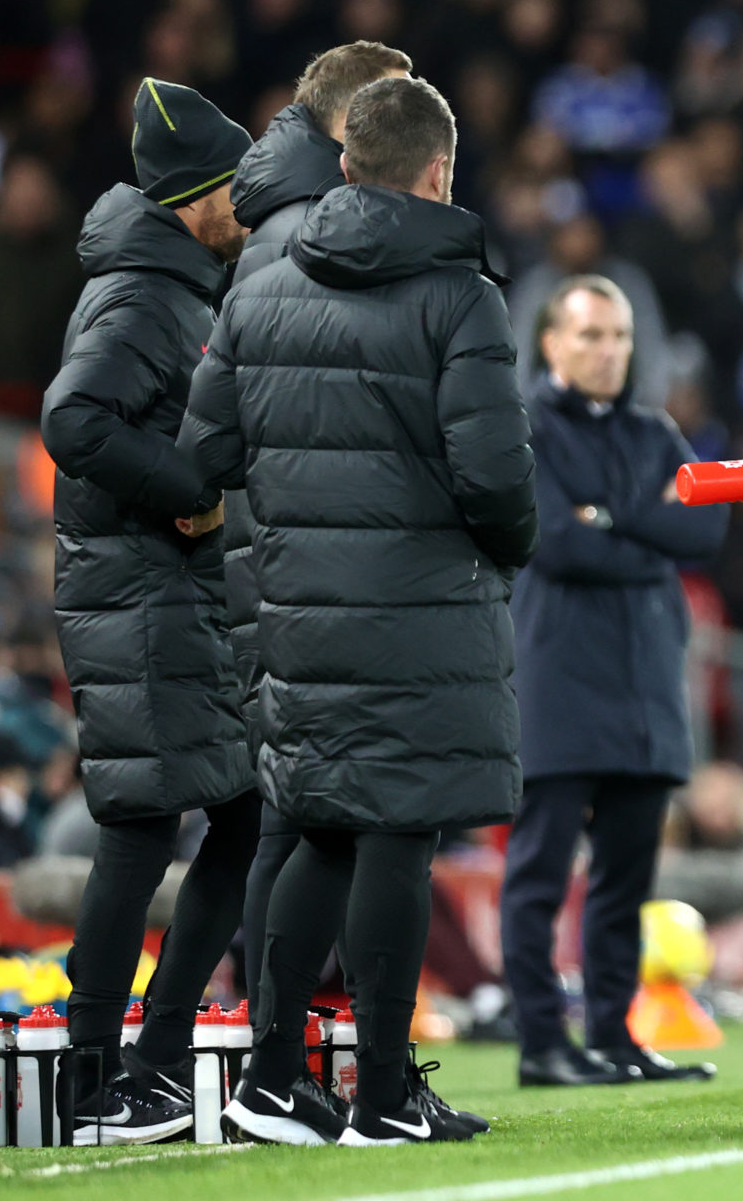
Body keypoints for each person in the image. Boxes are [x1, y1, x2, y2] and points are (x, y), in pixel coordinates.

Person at [182, 75, 537, 1147]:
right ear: (440, 174)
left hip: (297, 601)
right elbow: (497, 478)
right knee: (394, 835)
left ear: (345, 165)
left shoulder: (258, 282)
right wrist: (503, 552)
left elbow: (207, 456)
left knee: (324, 831)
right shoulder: (459, 291)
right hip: (421, 601)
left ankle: (274, 1074)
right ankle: (382, 1091)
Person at [39, 77, 259, 1145]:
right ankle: (119, 1069)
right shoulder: (141, 292)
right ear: (194, 195)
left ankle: (137, 1060)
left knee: (212, 813)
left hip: (154, 590)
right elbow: (71, 420)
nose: (248, 205)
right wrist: (192, 490)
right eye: (236, 188)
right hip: (135, 586)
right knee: (158, 822)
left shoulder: (173, 281)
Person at [222, 38, 412, 1022]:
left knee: (299, 820)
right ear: (351, 124)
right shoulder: (315, 230)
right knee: (316, 826)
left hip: (293, 548)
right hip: (321, 556)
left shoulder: (276, 223)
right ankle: (284, 1056)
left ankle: (285, 1055)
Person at [501, 274, 728, 1087]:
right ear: (552, 342)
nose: (608, 351)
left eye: (620, 337)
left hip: (644, 683)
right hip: (560, 677)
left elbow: (707, 524)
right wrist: (646, 521)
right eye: (591, 335)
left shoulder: (653, 429)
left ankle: (612, 1035)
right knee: (539, 872)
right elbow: (559, 543)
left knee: (625, 879)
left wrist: (611, 517)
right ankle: (541, 1044)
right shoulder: (523, 426)